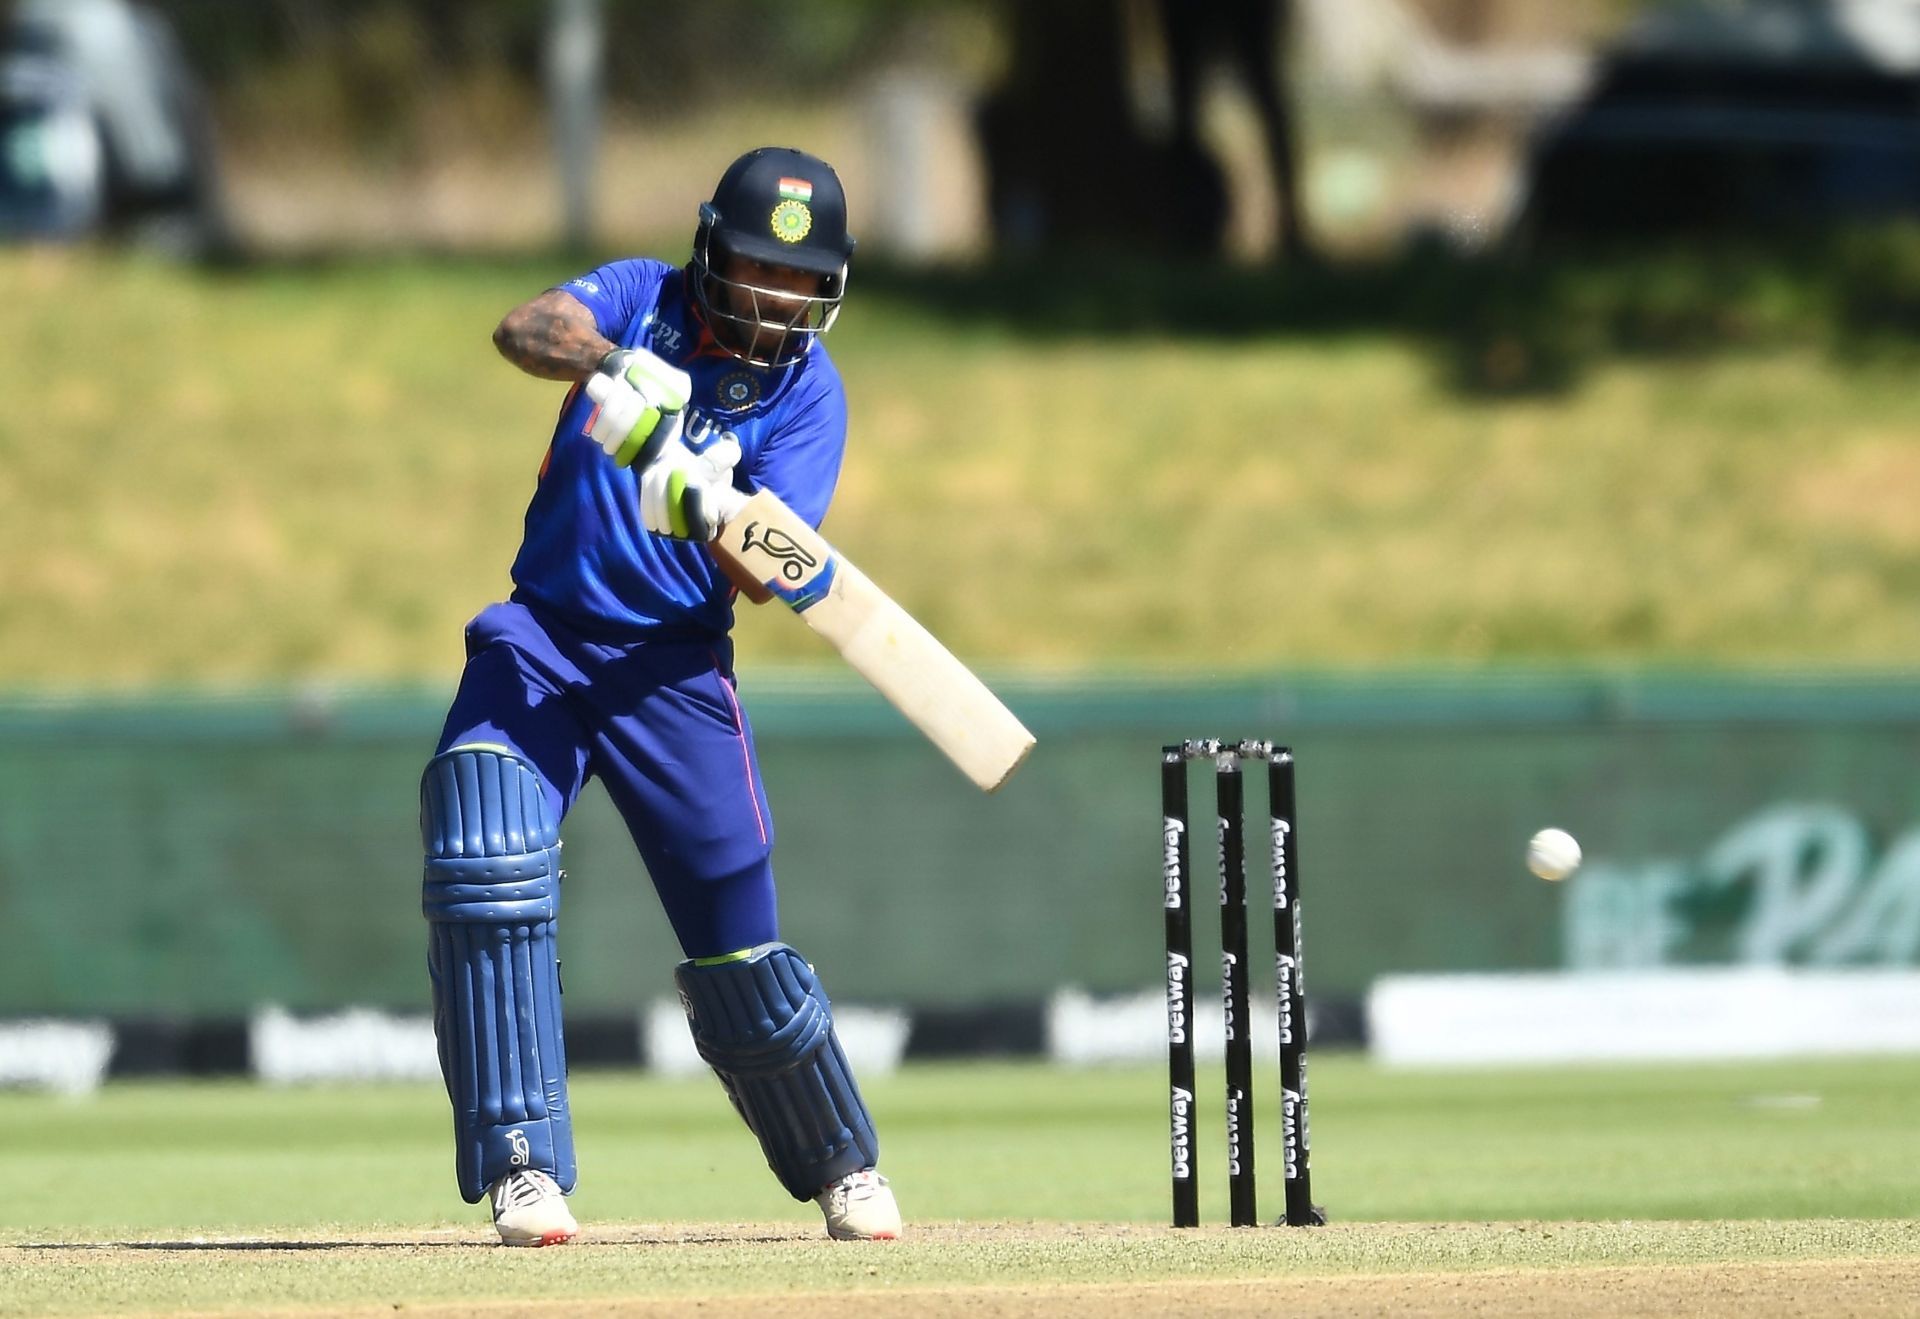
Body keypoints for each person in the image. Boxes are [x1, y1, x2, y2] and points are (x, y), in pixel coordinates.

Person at [420, 146, 898, 1247]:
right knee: (483, 846)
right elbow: (521, 328)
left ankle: (840, 1161)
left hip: (675, 672)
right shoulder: (643, 295)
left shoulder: (810, 394)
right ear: (708, 249)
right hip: (540, 638)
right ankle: (523, 1167)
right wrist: (614, 370)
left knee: (740, 949)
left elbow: (770, 572)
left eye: (800, 282)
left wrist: (703, 488)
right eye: (757, 271)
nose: (777, 300)